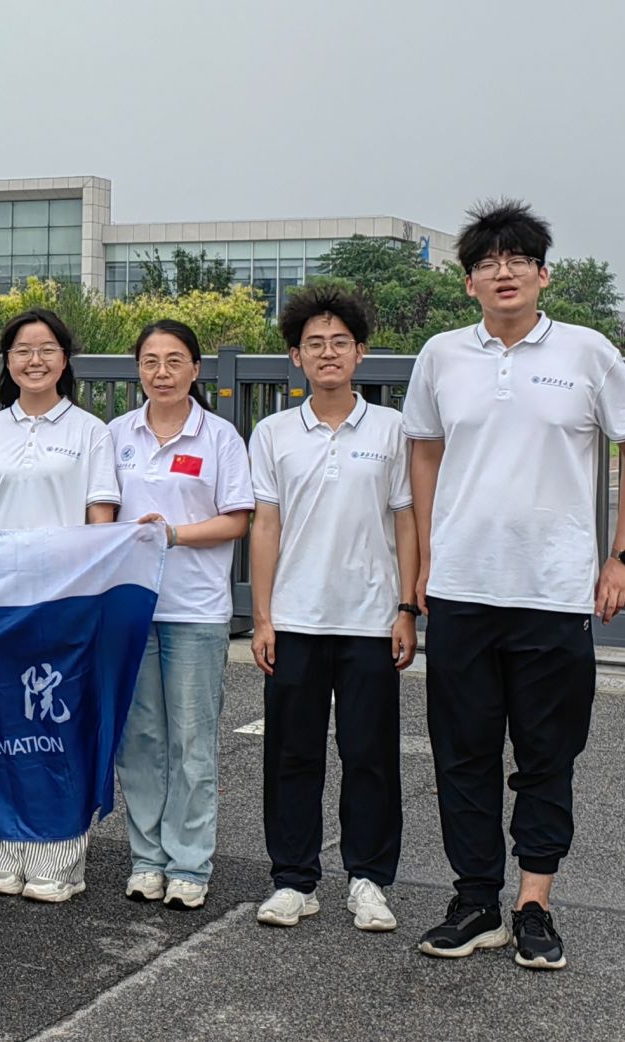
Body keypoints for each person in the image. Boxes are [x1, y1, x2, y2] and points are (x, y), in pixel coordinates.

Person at [404, 200, 625, 970]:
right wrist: (425, 560)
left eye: (518, 259)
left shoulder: (587, 352)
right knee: (463, 753)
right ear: (469, 283)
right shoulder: (442, 356)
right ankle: (476, 900)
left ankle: (534, 903)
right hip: (462, 589)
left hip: (552, 592)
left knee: (547, 753)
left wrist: (623, 556)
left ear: (544, 274)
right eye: (487, 263)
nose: (503, 272)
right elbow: (423, 452)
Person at [247, 286, 416, 932]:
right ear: (295, 357)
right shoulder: (274, 433)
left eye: (339, 342)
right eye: (313, 344)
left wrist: (406, 607)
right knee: (292, 754)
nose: (327, 353)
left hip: (371, 619)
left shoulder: (392, 430)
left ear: (360, 352)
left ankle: (369, 880)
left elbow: (406, 522)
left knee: (370, 754)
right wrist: (263, 618)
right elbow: (266, 526)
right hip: (295, 619)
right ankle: (294, 879)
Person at [0, 308, 121, 903]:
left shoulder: (91, 432)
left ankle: (58, 859)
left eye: (47, 349)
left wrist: (92, 597)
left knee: (56, 729)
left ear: (64, 360)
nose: (35, 360)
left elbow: (101, 520)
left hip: (62, 603)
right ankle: (6, 851)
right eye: (23, 350)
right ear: (8, 362)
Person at [112, 319, 254, 912]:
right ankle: (147, 858)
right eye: (150, 361)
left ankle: (190, 862)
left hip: (195, 608)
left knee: (192, 741)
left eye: (174, 361)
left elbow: (237, 518)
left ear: (196, 369)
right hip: (130, 607)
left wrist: (173, 534)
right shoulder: (116, 434)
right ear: (138, 369)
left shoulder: (219, 437)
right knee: (140, 739)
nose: (162, 372)